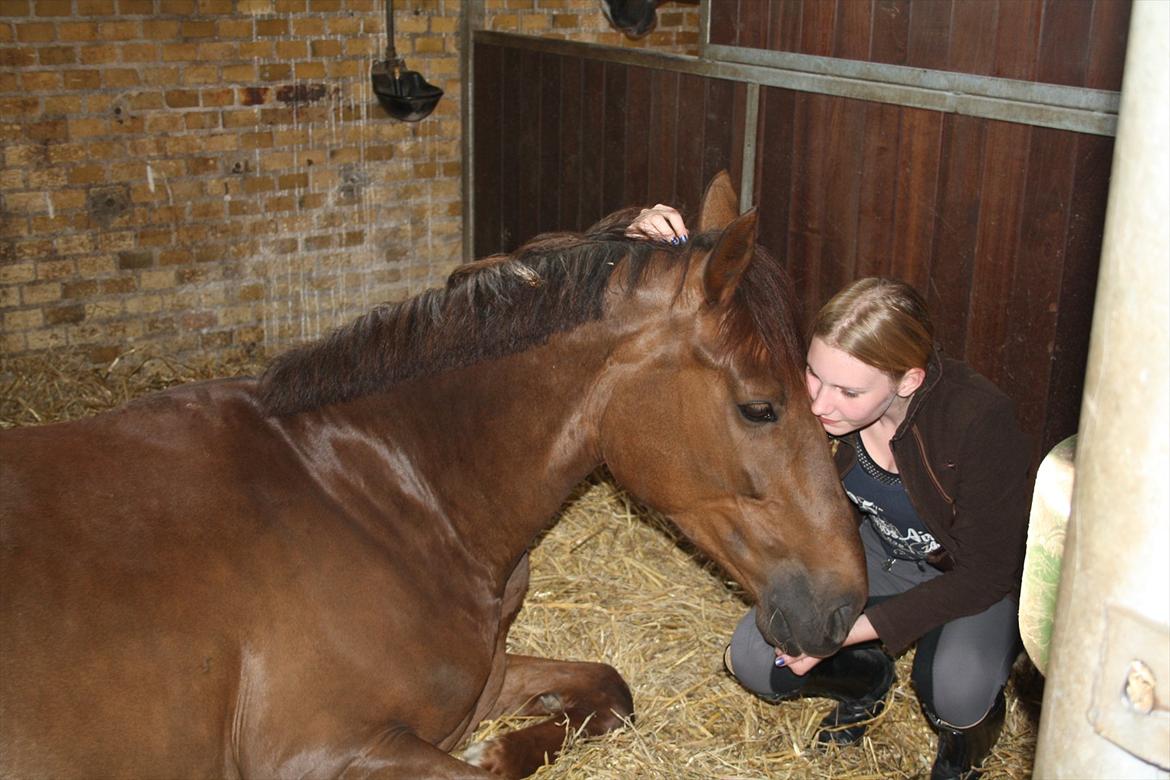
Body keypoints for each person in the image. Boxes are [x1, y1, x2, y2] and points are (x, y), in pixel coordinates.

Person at [629, 206, 1034, 780]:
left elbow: (990, 571)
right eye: (814, 374)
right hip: (879, 557)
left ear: (908, 380)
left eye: (848, 390)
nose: (819, 403)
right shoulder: (816, 402)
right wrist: (658, 247)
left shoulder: (977, 420)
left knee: (955, 688)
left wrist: (848, 630)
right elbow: (721, 315)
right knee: (754, 658)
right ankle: (867, 682)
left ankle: (963, 747)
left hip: (964, 573)